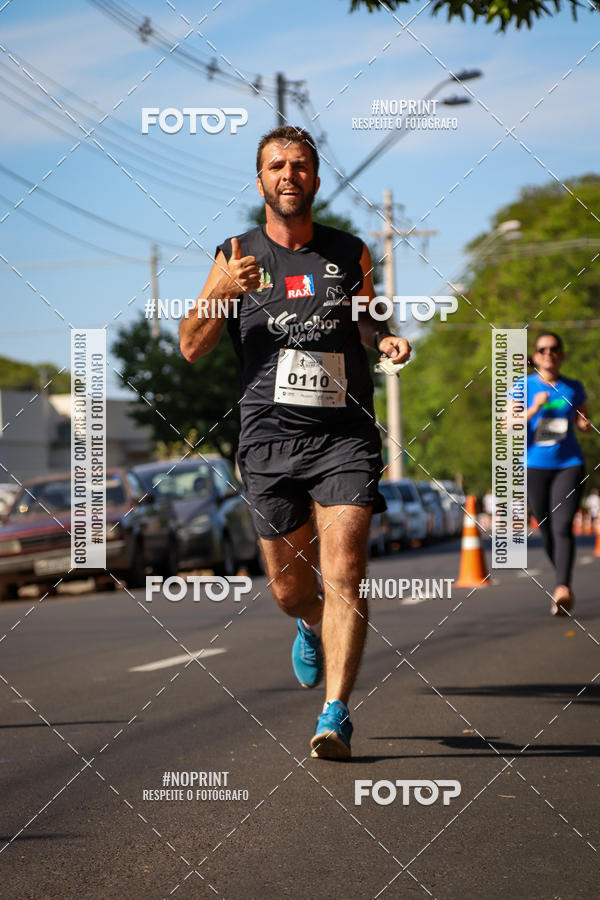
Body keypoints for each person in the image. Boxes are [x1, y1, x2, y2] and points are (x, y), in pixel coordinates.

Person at [180, 126, 410, 759]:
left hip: (344, 438)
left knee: (346, 571)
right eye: (277, 165)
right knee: (289, 590)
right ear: (260, 181)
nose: (289, 174)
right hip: (269, 442)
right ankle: (309, 624)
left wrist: (384, 340)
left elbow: (369, 319)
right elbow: (192, 347)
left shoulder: (349, 253)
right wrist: (222, 294)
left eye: (301, 165)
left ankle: (335, 713)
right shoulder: (234, 255)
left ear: (315, 177)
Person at [524, 332, 592, 615]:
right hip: (534, 465)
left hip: (569, 463)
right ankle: (563, 581)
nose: (548, 354)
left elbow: (582, 420)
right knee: (547, 528)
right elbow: (506, 425)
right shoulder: (522, 386)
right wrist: (534, 408)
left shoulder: (573, 387)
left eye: (554, 349)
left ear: (561, 355)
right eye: (542, 349)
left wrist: (585, 424)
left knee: (563, 525)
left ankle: (562, 587)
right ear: (535, 356)